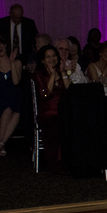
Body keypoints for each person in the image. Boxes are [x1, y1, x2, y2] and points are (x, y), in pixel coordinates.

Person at [32, 45, 71, 173]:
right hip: (48, 111)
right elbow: (45, 94)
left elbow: (69, 91)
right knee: (56, 122)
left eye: (54, 56)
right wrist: (53, 75)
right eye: (48, 57)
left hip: (64, 110)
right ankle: (58, 162)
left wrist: (63, 72)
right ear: (43, 60)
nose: (52, 59)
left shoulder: (61, 71)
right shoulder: (39, 74)